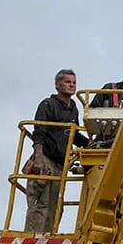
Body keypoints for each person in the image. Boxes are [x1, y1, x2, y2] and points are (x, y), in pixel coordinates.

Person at [25, 68, 90, 234]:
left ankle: (48, 237)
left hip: (61, 164)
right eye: (67, 82)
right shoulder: (48, 104)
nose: (72, 85)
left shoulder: (73, 109)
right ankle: (33, 238)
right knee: (41, 203)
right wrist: (39, 158)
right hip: (45, 158)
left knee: (56, 205)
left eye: (74, 82)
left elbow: (73, 135)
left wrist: (91, 144)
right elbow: (39, 132)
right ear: (57, 85)